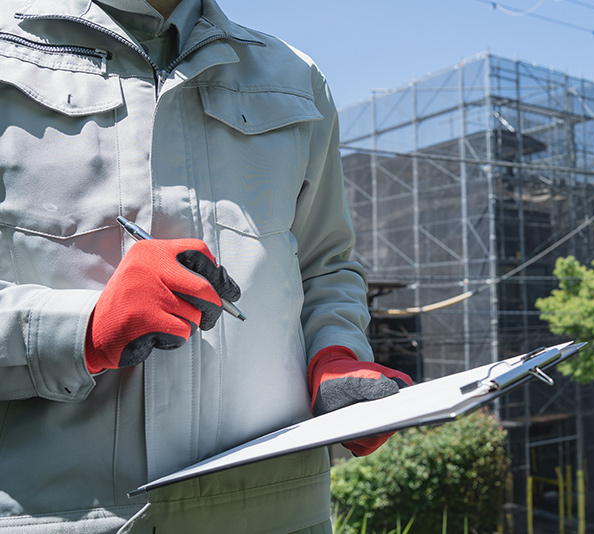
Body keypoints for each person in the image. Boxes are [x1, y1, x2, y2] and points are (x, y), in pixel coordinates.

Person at [0, 0, 412, 532]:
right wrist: (80, 332)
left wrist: (335, 355)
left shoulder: (296, 78)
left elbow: (324, 266)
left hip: (281, 515)